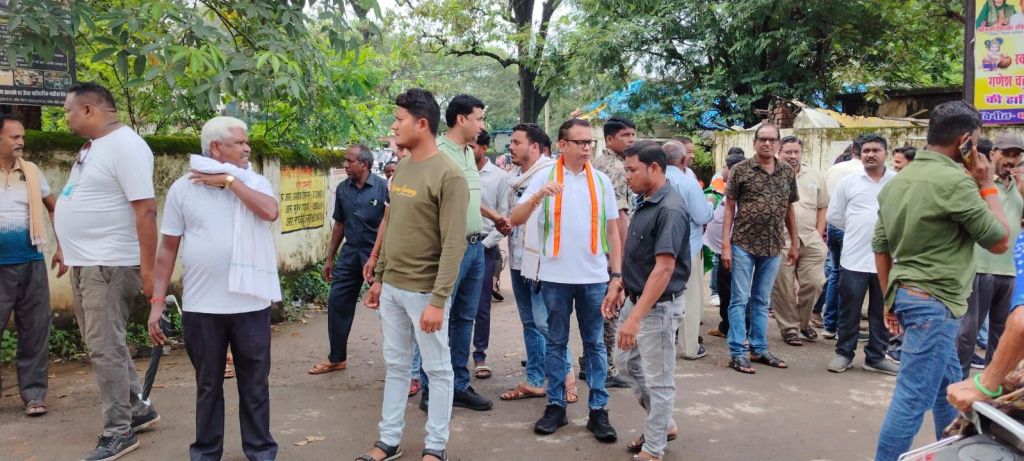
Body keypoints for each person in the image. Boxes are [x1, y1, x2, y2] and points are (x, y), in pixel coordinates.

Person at [873, 101, 1010, 461]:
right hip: (935, 303)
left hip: (912, 296)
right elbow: (1000, 240)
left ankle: (953, 451)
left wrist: (889, 299)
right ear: (965, 141)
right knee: (911, 398)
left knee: (948, 388)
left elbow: (881, 247)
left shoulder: (897, 182)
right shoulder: (956, 183)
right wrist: (987, 184)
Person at [147, 116, 280, 461]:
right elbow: (167, 250)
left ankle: (261, 451)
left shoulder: (254, 182)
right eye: (240, 143)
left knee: (255, 384)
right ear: (217, 148)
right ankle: (206, 453)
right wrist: (157, 302)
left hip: (251, 304)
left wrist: (230, 182)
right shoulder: (183, 189)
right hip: (202, 307)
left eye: (246, 142)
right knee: (208, 385)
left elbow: (270, 211)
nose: (248, 148)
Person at [359, 88, 469, 461]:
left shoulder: (449, 175)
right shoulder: (403, 167)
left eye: (399, 119)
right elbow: (393, 225)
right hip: (392, 288)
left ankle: (435, 447)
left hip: (425, 293)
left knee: (437, 370)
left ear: (422, 124)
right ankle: (388, 441)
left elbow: (453, 244)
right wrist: (379, 278)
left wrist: (439, 300)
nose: (394, 126)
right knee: (396, 367)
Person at [56, 82, 160, 460]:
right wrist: (65, 245)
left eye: (68, 111)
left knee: (105, 348)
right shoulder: (94, 147)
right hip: (87, 261)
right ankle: (136, 408)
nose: (65, 118)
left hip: (110, 264)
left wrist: (148, 271)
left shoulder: (126, 147)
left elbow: (146, 211)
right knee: (101, 343)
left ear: (88, 109)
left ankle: (119, 431)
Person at [510, 118, 622, 442]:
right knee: (556, 343)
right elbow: (515, 219)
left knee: (595, 344)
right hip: (555, 278)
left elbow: (613, 230)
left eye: (590, 142)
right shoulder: (544, 177)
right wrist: (537, 197)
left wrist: (616, 276)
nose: (587, 148)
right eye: (580, 142)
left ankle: (598, 410)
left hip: (593, 278)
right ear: (562, 145)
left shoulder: (600, 180)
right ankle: (555, 406)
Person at [417, 94, 502, 413]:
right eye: (479, 118)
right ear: (461, 119)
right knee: (438, 318)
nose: (482, 124)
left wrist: (492, 216)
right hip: (448, 249)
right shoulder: (437, 151)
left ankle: (459, 385)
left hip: (475, 246)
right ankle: (431, 390)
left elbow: (466, 199)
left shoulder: (468, 153)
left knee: (465, 318)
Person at [606, 141, 689, 461]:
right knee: (626, 363)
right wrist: (621, 283)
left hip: (658, 308)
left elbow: (664, 268)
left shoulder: (670, 209)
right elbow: (639, 254)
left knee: (659, 381)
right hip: (637, 298)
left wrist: (635, 317)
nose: (627, 176)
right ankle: (663, 423)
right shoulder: (646, 200)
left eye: (632, 170)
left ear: (654, 168)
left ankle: (654, 448)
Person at [498, 123, 578, 404]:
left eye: (516, 142)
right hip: (518, 258)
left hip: (543, 263)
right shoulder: (514, 177)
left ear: (534, 147)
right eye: (511, 142)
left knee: (547, 324)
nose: (511, 147)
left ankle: (567, 377)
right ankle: (534, 380)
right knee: (530, 323)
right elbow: (512, 216)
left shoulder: (552, 174)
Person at [0, 114, 65, 417]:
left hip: (31, 263)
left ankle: (34, 394)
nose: (21, 142)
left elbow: (54, 207)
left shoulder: (32, 172)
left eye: (22, 137)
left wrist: (62, 246)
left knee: (35, 331)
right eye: (15, 137)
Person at [721, 123, 798, 374]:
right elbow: (729, 209)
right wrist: (725, 245)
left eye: (771, 140)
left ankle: (758, 347)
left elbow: (789, 208)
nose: (767, 143)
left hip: (773, 245)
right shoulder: (741, 170)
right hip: (743, 243)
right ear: (754, 142)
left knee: (762, 300)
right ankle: (737, 351)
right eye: (762, 139)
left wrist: (795, 243)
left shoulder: (786, 172)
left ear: (778, 144)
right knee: (739, 299)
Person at [310, 144, 389, 375]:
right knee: (337, 302)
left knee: (388, 308)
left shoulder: (383, 188)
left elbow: (389, 224)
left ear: (364, 165)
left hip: (375, 256)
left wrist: (380, 258)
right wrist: (329, 259)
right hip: (350, 254)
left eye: (349, 161)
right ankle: (337, 358)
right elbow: (340, 224)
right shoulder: (343, 189)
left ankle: (401, 366)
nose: (345, 165)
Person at [825, 134, 898, 375]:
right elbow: (834, 216)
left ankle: (876, 357)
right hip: (854, 258)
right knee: (850, 309)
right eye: (866, 151)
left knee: (881, 310)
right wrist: (859, 229)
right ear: (860, 153)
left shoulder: (897, 182)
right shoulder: (849, 182)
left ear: (886, 153)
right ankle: (844, 354)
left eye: (875, 150)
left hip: (887, 261)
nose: (870, 155)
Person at [955, 134, 1023, 377]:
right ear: (993, 154)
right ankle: (958, 381)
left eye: (1016, 155)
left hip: (1009, 270)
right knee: (968, 332)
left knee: (1002, 334)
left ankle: (991, 385)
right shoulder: (979, 182)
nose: (1010, 160)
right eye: (1006, 154)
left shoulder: (1018, 187)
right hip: (979, 267)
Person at [947, 233, 1024, 412]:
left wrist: (985, 385)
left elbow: (1021, 323)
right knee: (970, 330)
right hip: (980, 269)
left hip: (1005, 273)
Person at [589, 116, 636, 388]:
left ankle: (591, 361)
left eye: (632, 135)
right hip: (610, 249)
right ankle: (605, 367)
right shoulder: (617, 169)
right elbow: (619, 217)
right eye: (625, 135)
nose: (631, 140)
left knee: (600, 308)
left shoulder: (597, 164)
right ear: (609, 139)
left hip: (597, 246)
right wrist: (624, 257)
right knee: (611, 308)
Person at [770, 136, 827, 347]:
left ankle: (803, 323)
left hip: (810, 238)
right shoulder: (772, 174)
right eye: (788, 152)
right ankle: (789, 329)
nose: (793, 156)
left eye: (796, 152)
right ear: (779, 152)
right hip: (781, 240)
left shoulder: (814, 175)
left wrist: (818, 234)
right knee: (783, 287)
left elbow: (822, 206)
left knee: (814, 283)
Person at [663, 140, 713, 359]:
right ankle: (690, 347)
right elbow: (702, 216)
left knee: (660, 297)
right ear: (683, 159)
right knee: (690, 298)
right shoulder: (688, 183)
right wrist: (710, 203)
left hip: (660, 249)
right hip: (688, 248)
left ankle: (661, 344)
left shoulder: (655, 179)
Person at [470, 129, 511, 379]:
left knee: (482, 304)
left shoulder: (499, 178)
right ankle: (452, 355)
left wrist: (484, 245)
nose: (466, 151)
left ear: (483, 148)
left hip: (484, 247)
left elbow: (504, 217)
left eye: (471, 146)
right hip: (456, 246)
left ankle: (480, 355)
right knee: (452, 304)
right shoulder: (456, 172)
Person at [821, 142, 862, 339]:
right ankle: (843, 328)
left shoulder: (833, 169)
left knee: (835, 273)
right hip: (851, 228)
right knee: (850, 277)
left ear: (852, 150)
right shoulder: (865, 172)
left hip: (833, 225)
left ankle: (830, 325)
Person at [705, 153, 747, 339]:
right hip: (724, 247)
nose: (722, 170)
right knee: (725, 288)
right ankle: (726, 326)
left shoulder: (740, 191)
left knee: (730, 290)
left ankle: (733, 328)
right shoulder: (728, 187)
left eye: (724, 166)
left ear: (732, 169)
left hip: (732, 249)